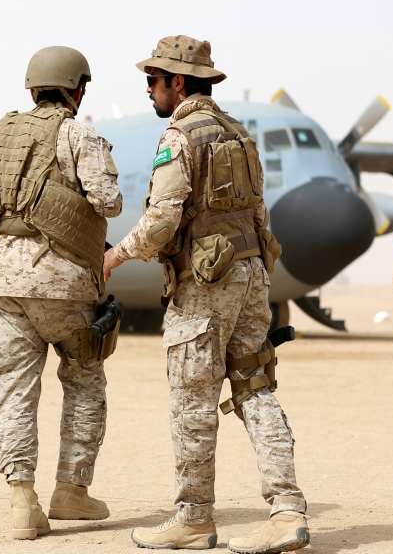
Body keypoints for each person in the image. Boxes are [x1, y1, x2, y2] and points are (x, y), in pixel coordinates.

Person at [103, 36, 309, 553]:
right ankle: (287, 511)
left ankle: (193, 519)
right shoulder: (240, 135)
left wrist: (115, 255)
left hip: (205, 286)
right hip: (252, 277)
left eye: (154, 80)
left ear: (178, 83)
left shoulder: (180, 137)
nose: (149, 90)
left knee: (192, 402)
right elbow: (259, 215)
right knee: (256, 388)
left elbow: (161, 221)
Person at [0, 46, 122, 540]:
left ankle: (22, 504)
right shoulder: (79, 133)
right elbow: (109, 202)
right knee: (83, 381)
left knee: (14, 389)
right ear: (78, 89)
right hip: (64, 285)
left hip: (4, 286)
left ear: (32, 90)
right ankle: (71, 492)